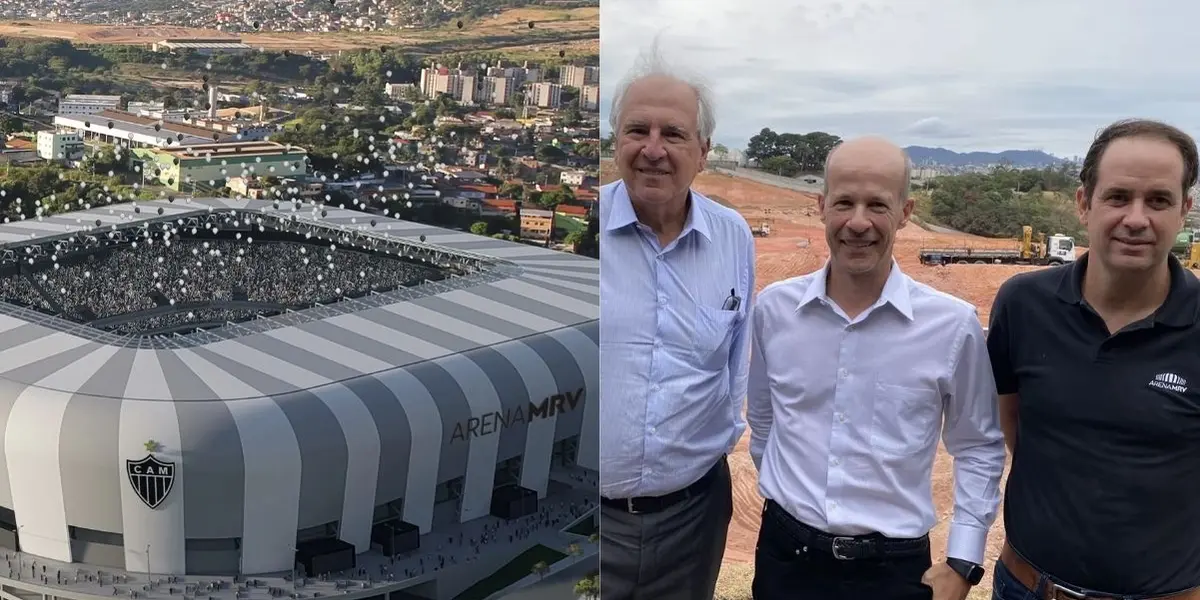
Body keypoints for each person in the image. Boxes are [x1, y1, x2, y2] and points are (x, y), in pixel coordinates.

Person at [746, 137, 1006, 600]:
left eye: (877, 205)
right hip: (786, 561)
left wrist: (963, 561)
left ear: (905, 212)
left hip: (893, 572)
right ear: (821, 206)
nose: (858, 222)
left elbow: (978, 445)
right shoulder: (774, 310)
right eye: (844, 203)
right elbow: (764, 420)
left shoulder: (951, 326)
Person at [987, 120, 1200, 599]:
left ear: (1184, 210)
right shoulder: (1024, 305)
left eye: (1159, 201)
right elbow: (1015, 427)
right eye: (1118, 197)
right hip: (1026, 588)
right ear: (1084, 203)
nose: (1136, 219)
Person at [598, 48, 755, 600]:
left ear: (703, 152)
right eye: (637, 130)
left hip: (693, 521)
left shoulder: (733, 237)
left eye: (674, 134)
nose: (653, 149)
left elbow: (735, 366)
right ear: (615, 141)